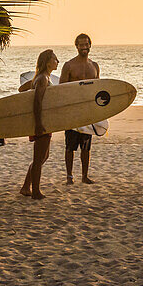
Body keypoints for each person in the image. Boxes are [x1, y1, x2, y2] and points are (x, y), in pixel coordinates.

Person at [59, 33, 99, 185]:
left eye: (86, 44)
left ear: (90, 45)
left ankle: (84, 176)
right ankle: (69, 176)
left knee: (86, 146)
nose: (84, 47)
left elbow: (98, 89)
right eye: (81, 45)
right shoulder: (69, 65)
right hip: (72, 112)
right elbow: (61, 88)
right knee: (70, 146)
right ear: (76, 46)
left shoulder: (94, 66)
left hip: (88, 112)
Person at [20, 49, 58, 199]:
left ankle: (25, 187)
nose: (57, 62)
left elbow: (21, 89)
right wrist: (38, 123)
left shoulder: (41, 77)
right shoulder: (43, 78)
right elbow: (37, 101)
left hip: (43, 121)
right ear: (48, 61)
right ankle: (35, 191)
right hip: (41, 122)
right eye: (55, 59)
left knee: (43, 156)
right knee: (39, 158)